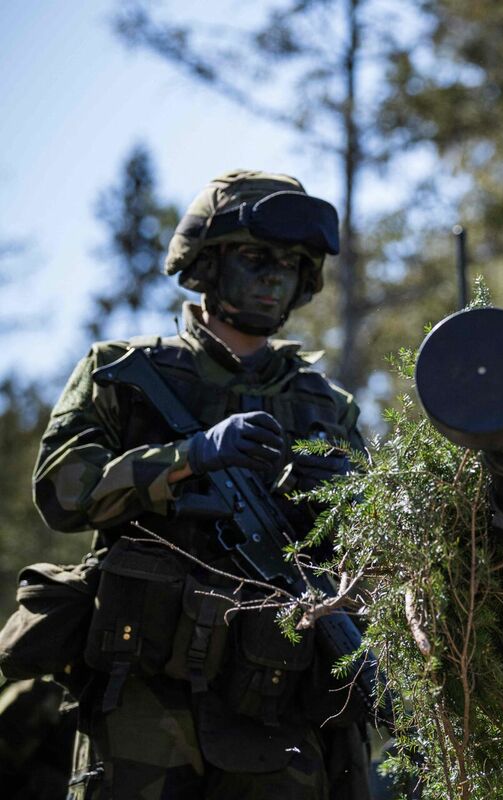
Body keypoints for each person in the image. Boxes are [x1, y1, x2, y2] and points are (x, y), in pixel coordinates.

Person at [32, 170, 372, 800]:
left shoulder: (327, 408)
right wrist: (188, 457)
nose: (276, 275)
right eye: (255, 257)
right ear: (206, 263)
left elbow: (375, 561)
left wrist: (346, 498)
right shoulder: (124, 374)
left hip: (276, 707)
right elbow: (61, 491)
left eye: (293, 263)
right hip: (142, 699)